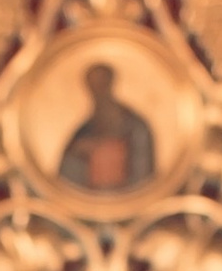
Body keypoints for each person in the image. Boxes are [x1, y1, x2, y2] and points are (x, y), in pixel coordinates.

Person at [56, 61, 156, 196]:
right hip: (91, 200)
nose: (98, 91)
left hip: (127, 197)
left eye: (101, 84)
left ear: (110, 84)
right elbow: (67, 174)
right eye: (93, 86)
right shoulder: (85, 129)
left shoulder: (135, 125)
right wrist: (78, 153)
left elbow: (143, 170)